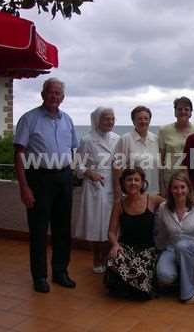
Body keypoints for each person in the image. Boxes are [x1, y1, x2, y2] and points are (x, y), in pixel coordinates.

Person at [13, 77, 78, 293]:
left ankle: (60, 272)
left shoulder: (67, 120)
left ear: (63, 97)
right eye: (51, 92)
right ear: (43, 95)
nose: (55, 97)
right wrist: (24, 187)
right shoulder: (29, 119)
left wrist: (73, 175)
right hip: (39, 179)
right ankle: (40, 276)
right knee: (39, 230)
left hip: (64, 178)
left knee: (63, 228)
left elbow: (72, 151)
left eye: (58, 93)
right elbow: (19, 154)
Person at [155, 172, 194, 303]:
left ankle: (189, 293)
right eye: (175, 187)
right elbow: (161, 232)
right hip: (172, 249)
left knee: (182, 246)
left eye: (182, 187)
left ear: (188, 189)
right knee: (164, 276)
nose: (179, 191)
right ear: (170, 190)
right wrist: (159, 251)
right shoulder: (163, 208)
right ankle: (183, 274)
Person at [105, 167, 164, 298]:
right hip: (125, 248)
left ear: (143, 183)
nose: (133, 183)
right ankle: (135, 285)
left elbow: (174, 203)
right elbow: (111, 232)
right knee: (113, 260)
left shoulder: (153, 200)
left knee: (139, 273)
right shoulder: (119, 204)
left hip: (147, 250)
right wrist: (115, 245)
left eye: (137, 180)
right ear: (123, 183)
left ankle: (130, 284)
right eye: (129, 180)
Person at [74, 107, 120, 273]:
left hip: (113, 184)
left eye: (112, 118)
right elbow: (77, 165)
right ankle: (96, 258)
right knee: (95, 224)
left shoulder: (117, 138)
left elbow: (120, 162)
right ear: (97, 120)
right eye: (106, 119)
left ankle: (109, 257)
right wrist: (88, 172)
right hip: (95, 185)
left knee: (111, 223)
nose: (110, 122)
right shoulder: (87, 140)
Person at [113, 106, 159, 199]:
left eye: (146, 118)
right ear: (133, 121)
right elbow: (117, 168)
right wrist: (118, 191)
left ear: (150, 120)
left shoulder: (156, 139)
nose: (143, 121)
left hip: (153, 192)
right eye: (139, 118)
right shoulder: (125, 139)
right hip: (131, 193)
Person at [158, 97, 194, 196]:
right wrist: (161, 184)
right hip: (170, 179)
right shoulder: (164, 131)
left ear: (191, 112)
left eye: (186, 109)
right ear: (175, 112)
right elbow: (161, 159)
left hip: (191, 179)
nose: (183, 112)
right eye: (179, 109)